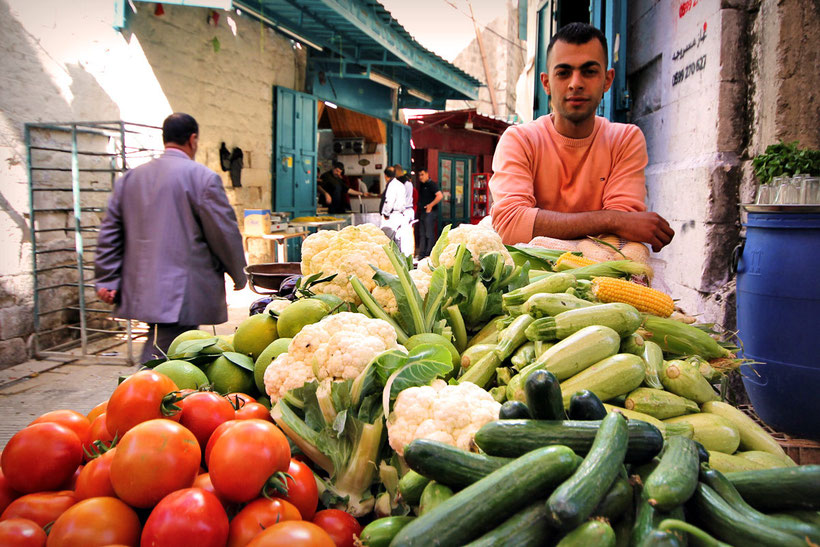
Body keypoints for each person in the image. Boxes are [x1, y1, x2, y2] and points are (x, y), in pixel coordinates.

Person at [489, 23, 674, 252]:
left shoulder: (624, 140)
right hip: (527, 281)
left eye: (589, 71)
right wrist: (611, 220)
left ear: (607, 80)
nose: (575, 83)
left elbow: (621, 238)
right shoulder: (520, 140)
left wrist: (618, 222)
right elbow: (510, 225)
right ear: (546, 83)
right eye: (564, 73)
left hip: (596, 279)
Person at [95, 113, 247, 363]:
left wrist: (107, 277)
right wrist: (239, 273)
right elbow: (223, 232)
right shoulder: (202, 178)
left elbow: (111, 230)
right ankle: (139, 398)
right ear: (193, 139)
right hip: (183, 289)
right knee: (167, 358)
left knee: (169, 349)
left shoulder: (132, 178)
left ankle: (150, 394)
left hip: (144, 284)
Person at [416, 169, 443, 258]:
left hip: (430, 212)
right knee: (422, 233)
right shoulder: (422, 185)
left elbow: (440, 195)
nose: (420, 177)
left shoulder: (432, 184)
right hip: (423, 212)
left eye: (422, 174)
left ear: (427, 174)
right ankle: (422, 254)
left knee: (429, 233)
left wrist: (430, 205)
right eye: (419, 175)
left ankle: (429, 254)